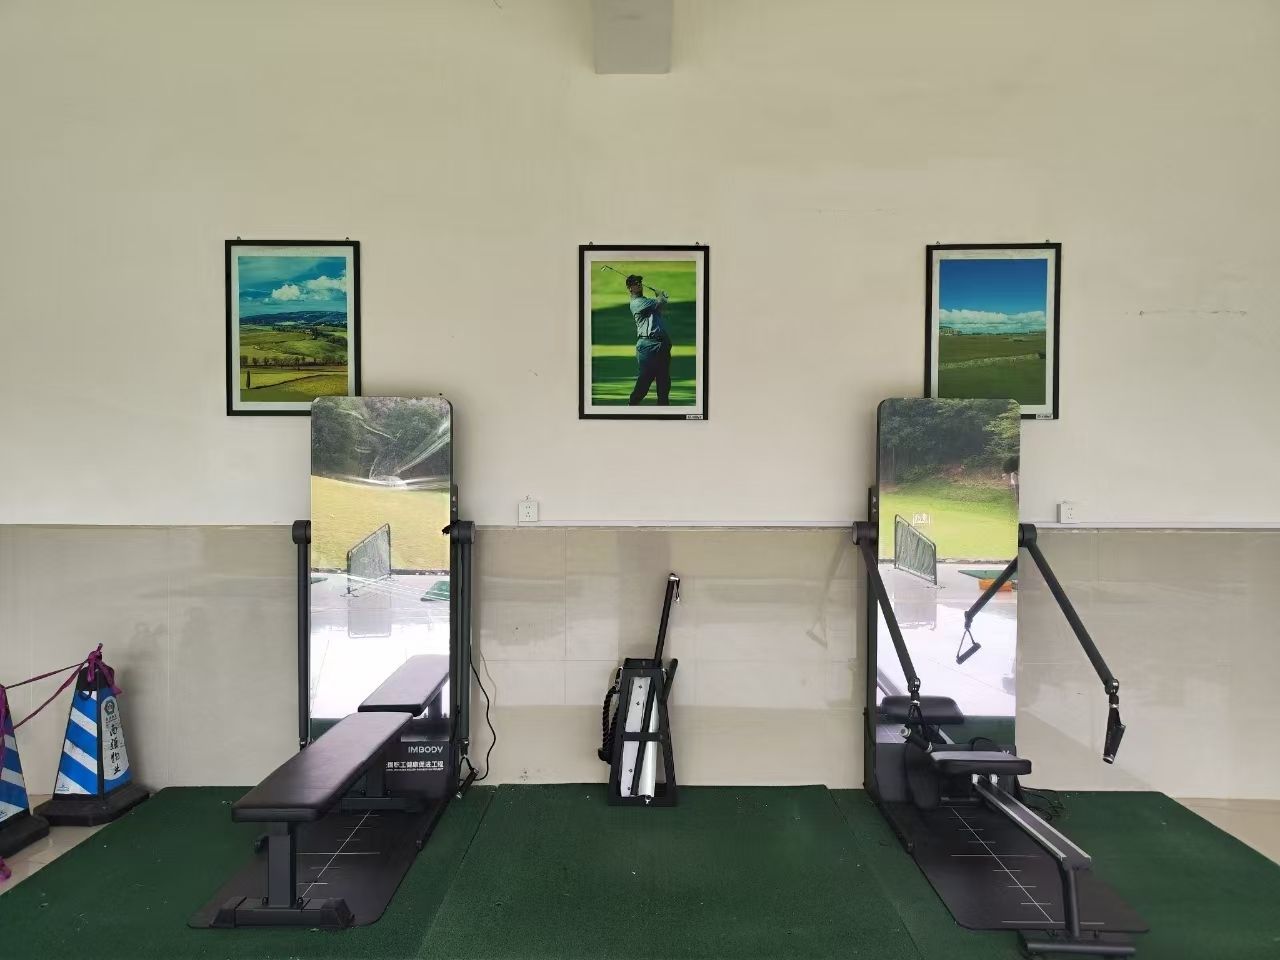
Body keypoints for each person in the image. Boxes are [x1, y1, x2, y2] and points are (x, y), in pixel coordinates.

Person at [625, 274, 672, 405]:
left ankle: (663, 411)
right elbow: (661, 301)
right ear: (630, 288)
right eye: (635, 283)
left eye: (639, 282)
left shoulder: (647, 302)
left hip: (661, 344)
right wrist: (661, 295)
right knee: (645, 379)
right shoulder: (637, 303)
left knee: (664, 381)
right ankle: (631, 405)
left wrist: (662, 297)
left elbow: (661, 306)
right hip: (647, 346)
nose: (639, 284)